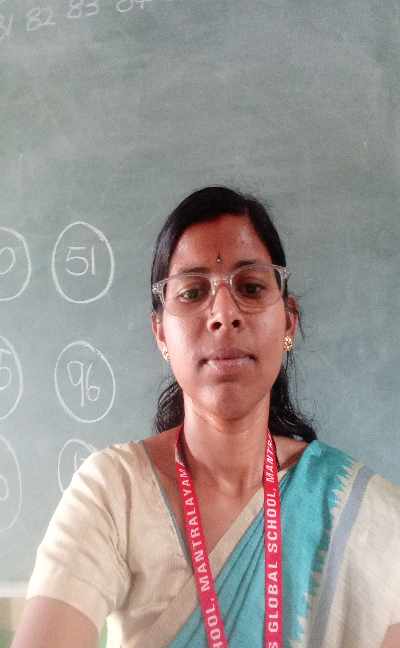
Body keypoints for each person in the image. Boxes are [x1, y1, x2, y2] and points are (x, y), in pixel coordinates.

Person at [12, 186, 400, 648]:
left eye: (251, 287)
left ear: (288, 321)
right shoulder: (116, 492)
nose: (223, 314)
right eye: (193, 292)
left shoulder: (363, 513)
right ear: (161, 333)